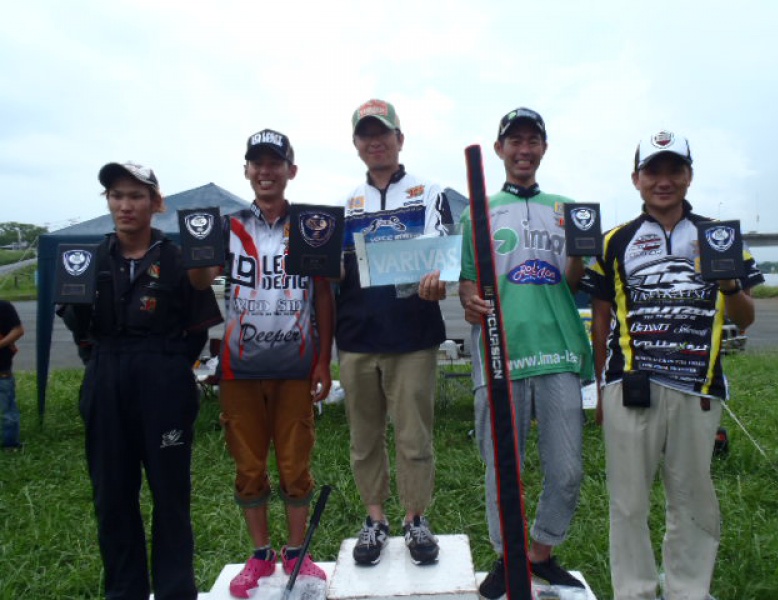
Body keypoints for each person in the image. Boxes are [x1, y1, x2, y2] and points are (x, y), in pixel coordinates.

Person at [582, 130, 763, 600]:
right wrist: (600, 390)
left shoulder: (718, 237)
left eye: (674, 170)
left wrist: (727, 286)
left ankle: (688, 590)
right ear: (636, 179)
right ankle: (636, 591)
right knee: (628, 502)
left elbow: (745, 319)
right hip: (630, 385)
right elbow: (600, 320)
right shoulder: (614, 241)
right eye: (653, 171)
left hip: (697, 387)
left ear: (689, 176)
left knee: (693, 499)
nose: (664, 181)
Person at [61, 162, 223, 599]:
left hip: (164, 382)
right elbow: (80, 332)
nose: (125, 205)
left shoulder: (177, 259)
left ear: (155, 203)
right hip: (106, 378)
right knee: (112, 497)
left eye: (136, 196)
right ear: (108, 202)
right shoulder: (87, 260)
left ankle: (175, 591)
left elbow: (198, 329)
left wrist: (164, 368)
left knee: (170, 498)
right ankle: (125, 592)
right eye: (116, 195)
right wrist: (106, 366)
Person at [188, 128, 334, 598]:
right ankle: (259, 554)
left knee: (296, 465)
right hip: (239, 368)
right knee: (248, 467)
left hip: (296, 365)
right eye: (258, 163)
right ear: (247, 170)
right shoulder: (227, 226)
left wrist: (324, 361)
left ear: (291, 171)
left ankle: (296, 552)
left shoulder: (313, 225)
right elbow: (197, 281)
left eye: (276, 163)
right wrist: (199, 249)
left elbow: (325, 295)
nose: (266, 171)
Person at [459, 107, 593, 596]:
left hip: (557, 352)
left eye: (532, 140)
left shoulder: (567, 207)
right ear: (500, 150)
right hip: (499, 355)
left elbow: (572, 284)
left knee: (567, 468)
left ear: (543, 149)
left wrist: (578, 249)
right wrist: (470, 301)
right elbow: (468, 285)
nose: (523, 149)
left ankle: (541, 551)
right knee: (501, 465)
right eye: (514, 140)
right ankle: (507, 556)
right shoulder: (478, 209)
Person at [337, 99, 452, 565]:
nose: (375, 141)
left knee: (413, 436)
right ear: (357, 145)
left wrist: (438, 275)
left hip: (412, 335)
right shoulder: (345, 204)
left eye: (382, 132)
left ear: (399, 139)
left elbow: (444, 253)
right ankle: (375, 519)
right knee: (364, 438)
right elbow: (334, 272)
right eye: (366, 134)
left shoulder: (429, 191)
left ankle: (415, 519)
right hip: (357, 336)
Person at [0, 299, 24, 451]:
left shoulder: (3, 307)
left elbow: (18, 330)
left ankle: (10, 444)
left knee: (7, 410)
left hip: (2, 369)